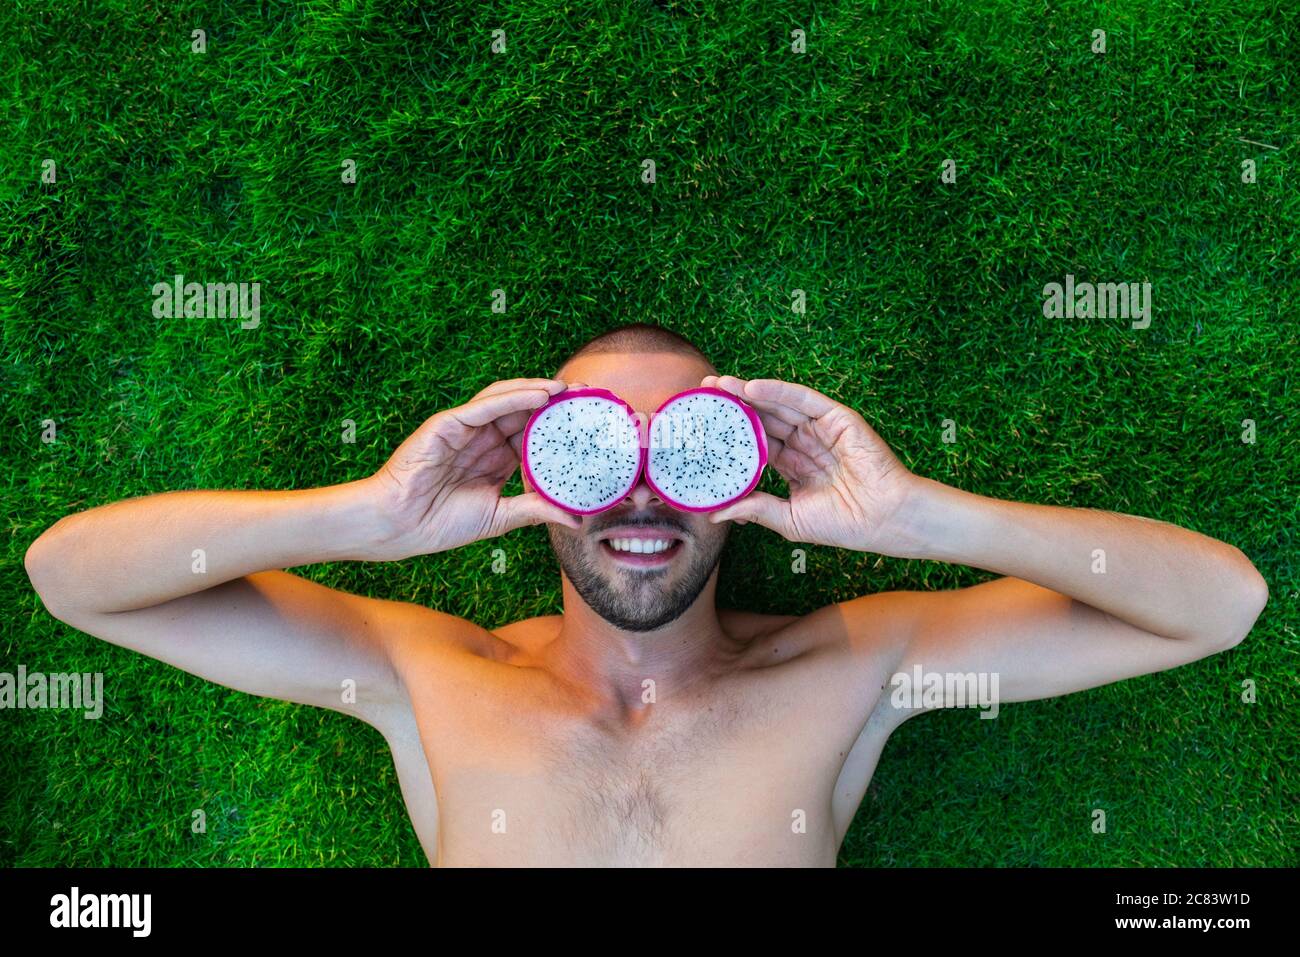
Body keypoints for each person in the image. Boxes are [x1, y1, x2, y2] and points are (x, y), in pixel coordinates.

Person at [24, 323, 1268, 866]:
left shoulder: (850, 668)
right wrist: (361, 516)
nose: (637, 490)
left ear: (740, 475)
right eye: (588, 447)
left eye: (686, 450)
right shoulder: (430, 673)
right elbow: (71, 578)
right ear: (532, 469)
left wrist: (914, 515)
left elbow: (1216, 606)